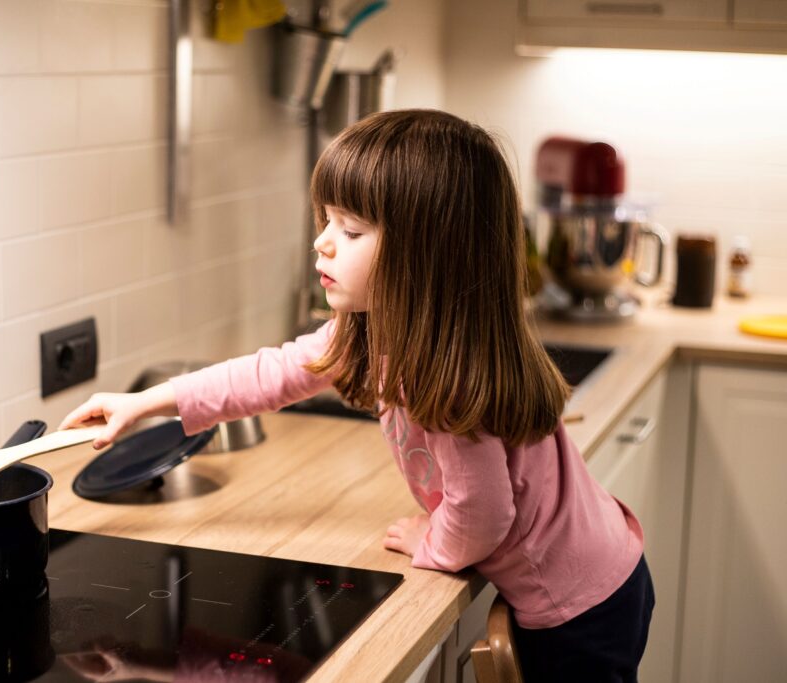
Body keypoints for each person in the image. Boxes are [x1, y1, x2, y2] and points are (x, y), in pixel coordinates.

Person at [59, 109, 655, 683]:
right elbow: (275, 372)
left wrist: (435, 542)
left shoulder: (444, 379)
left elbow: (484, 514)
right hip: (599, 575)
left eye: (350, 229)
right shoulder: (382, 331)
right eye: (325, 221)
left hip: (579, 607)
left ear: (428, 254)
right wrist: (147, 402)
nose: (322, 242)